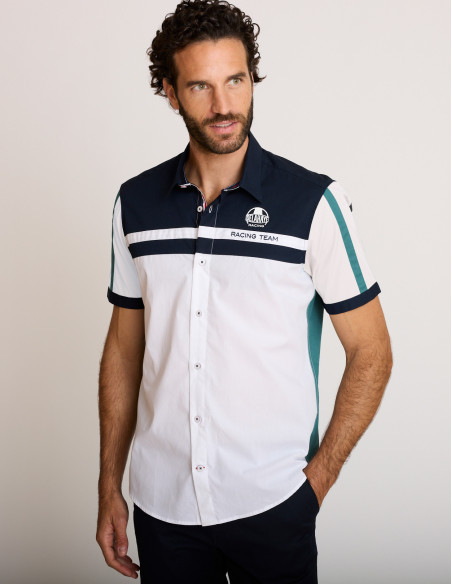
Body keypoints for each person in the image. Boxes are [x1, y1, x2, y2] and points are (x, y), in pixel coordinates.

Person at [96, 1, 393, 582]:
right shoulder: (135, 204)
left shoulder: (314, 203)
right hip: (162, 507)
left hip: (273, 503)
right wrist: (110, 482)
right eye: (200, 86)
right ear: (170, 92)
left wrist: (316, 484)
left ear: (252, 77)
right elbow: (124, 352)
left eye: (235, 80)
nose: (224, 105)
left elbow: (373, 351)